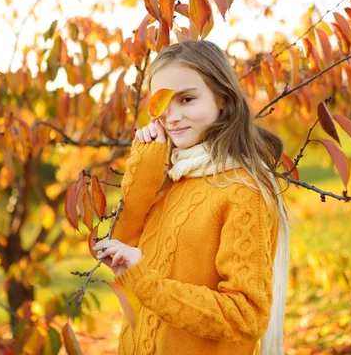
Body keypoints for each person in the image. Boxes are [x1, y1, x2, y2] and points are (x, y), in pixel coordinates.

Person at [92, 40, 291, 355]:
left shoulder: (242, 192)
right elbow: (121, 248)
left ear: (222, 99)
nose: (172, 117)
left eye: (186, 99)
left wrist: (147, 283)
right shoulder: (174, 176)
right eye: (163, 103)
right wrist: (146, 164)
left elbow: (246, 317)